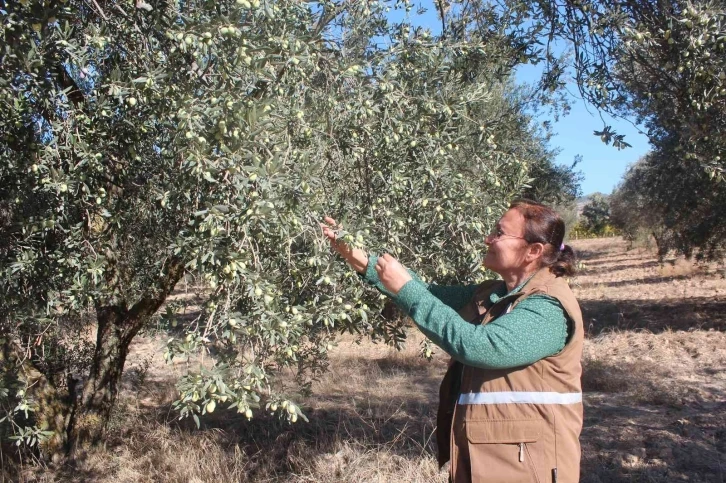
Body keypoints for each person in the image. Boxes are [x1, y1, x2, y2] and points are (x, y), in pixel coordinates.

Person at [321, 200, 584, 483]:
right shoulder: (494, 294)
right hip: (489, 461)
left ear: (533, 251)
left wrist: (408, 290)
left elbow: (482, 346)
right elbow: (429, 294)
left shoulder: (548, 307)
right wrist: (359, 258)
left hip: (528, 468)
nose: (488, 238)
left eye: (499, 233)